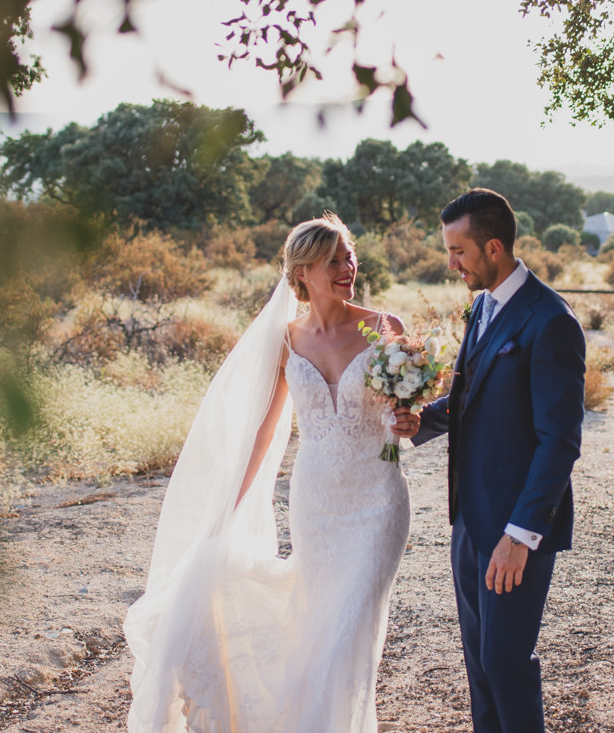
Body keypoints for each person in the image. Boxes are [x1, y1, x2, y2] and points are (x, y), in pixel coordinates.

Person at [124, 212, 417, 733]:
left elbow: (406, 414)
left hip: (377, 503)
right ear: (303, 272)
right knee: (317, 628)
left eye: (349, 256)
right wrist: (225, 512)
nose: (347, 268)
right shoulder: (286, 340)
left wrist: (407, 421)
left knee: (350, 632)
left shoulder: (384, 327)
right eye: (332, 260)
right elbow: (262, 434)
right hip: (315, 505)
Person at [409, 188, 586, 733]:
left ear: (493, 247)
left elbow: (560, 442)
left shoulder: (551, 321)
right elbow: (472, 396)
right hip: (468, 521)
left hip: (514, 529)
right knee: (480, 667)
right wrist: (421, 423)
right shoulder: (483, 304)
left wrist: (521, 534)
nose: (451, 263)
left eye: (458, 251)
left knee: (506, 664)